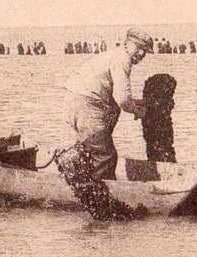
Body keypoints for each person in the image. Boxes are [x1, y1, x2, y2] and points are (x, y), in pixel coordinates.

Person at [63, 28, 154, 179]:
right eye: (138, 48)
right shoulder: (122, 59)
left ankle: (79, 180)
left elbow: (119, 98)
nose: (141, 54)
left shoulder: (114, 55)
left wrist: (140, 103)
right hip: (86, 106)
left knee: (90, 148)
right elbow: (123, 99)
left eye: (145, 51)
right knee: (106, 155)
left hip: (78, 103)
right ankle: (98, 196)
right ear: (127, 44)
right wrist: (138, 111)